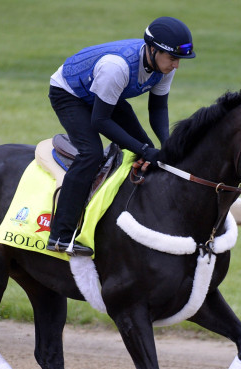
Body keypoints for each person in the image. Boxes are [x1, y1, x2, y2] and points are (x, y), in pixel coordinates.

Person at [46, 16, 196, 256]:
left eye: (179, 59)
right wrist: (145, 150)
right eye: (173, 58)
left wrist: (166, 146)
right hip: (70, 94)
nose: (176, 65)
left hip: (104, 94)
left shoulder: (164, 66)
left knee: (148, 149)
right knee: (91, 153)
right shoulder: (117, 67)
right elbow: (100, 121)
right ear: (154, 50)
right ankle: (60, 235)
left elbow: (158, 109)